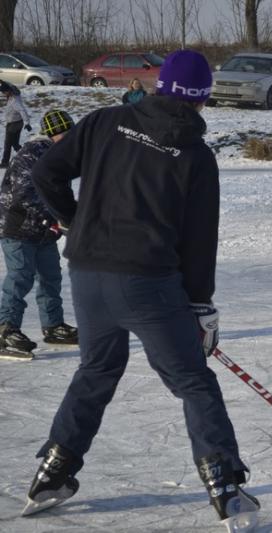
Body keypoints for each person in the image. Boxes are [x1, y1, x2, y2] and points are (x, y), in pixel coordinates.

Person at [24, 50, 259, 532]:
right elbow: (199, 243)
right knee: (192, 381)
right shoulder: (196, 155)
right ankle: (224, 485)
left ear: (159, 85)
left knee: (96, 370)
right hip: (148, 284)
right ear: (203, 99)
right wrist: (201, 306)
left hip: (88, 278)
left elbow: (46, 172)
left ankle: (52, 471)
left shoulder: (104, 121)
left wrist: (75, 222)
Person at [0, 110, 79, 359]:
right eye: (65, 135)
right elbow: (25, 194)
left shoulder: (58, 155)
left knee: (50, 277)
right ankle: (5, 330)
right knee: (20, 277)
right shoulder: (31, 154)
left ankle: (53, 326)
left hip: (44, 231)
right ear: (54, 134)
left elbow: (59, 191)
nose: (70, 140)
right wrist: (53, 217)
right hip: (19, 227)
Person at [1, 81, 32, 168]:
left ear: (8, 91)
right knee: (15, 144)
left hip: (13, 125)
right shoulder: (14, 94)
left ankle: (5, 162)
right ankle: (26, 156)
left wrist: (27, 123)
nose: (3, 94)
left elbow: (22, 110)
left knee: (7, 144)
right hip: (17, 123)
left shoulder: (15, 100)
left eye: (4, 92)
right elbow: (10, 85)